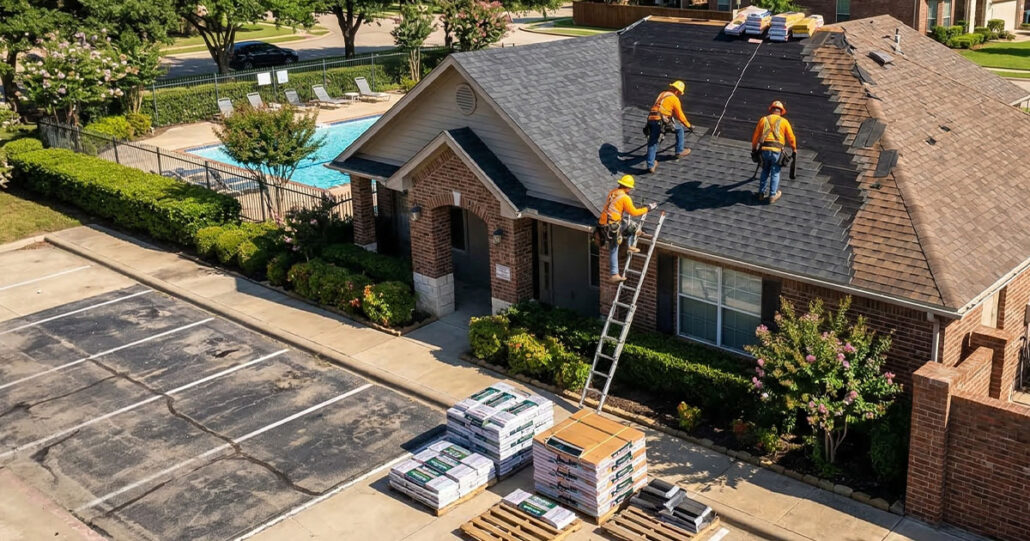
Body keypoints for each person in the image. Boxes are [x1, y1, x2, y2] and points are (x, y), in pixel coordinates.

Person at [598, 175, 656, 283]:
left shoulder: (613, 192)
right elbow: (633, 212)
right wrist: (648, 208)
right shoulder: (625, 198)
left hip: (604, 223)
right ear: (628, 188)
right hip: (612, 225)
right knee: (616, 245)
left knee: (630, 228)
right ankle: (615, 273)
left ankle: (630, 247)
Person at [751, 100, 797, 203]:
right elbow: (791, 138)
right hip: (776, 151)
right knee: (775, 172)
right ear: (781, 111)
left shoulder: (763, 120)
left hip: (764, 151)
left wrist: (754, 148)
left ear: (771, 110)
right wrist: (794, 149)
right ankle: (772, 195)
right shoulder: (784, 122)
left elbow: (755, 136)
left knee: (765, 170)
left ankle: (761, 193)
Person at [645, 80, 692, 174]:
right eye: (680, 93)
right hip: (661, 120)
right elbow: (680, 115)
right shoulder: (674, 99)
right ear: (677, 91)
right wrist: (688, 125)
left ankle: (650, 165)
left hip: (651, 118)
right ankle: (679, 151)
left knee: (652, 142)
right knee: (679, 129)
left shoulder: (662, 94)